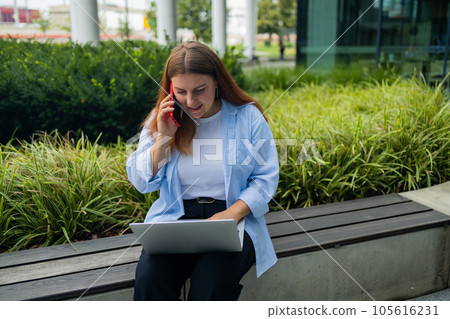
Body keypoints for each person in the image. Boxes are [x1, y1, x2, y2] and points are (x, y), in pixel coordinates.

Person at [126, 41, 279, 301]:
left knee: (212, 284)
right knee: (150, 278)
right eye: (181, 91)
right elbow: (143, 182)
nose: (190, 101)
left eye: (200, 90)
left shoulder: (247, 117)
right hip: (176, 219)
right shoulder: (161, 119)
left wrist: (231, 214)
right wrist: (164, 137)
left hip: (233, 219)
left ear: (217, 82)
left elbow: (265, 180)